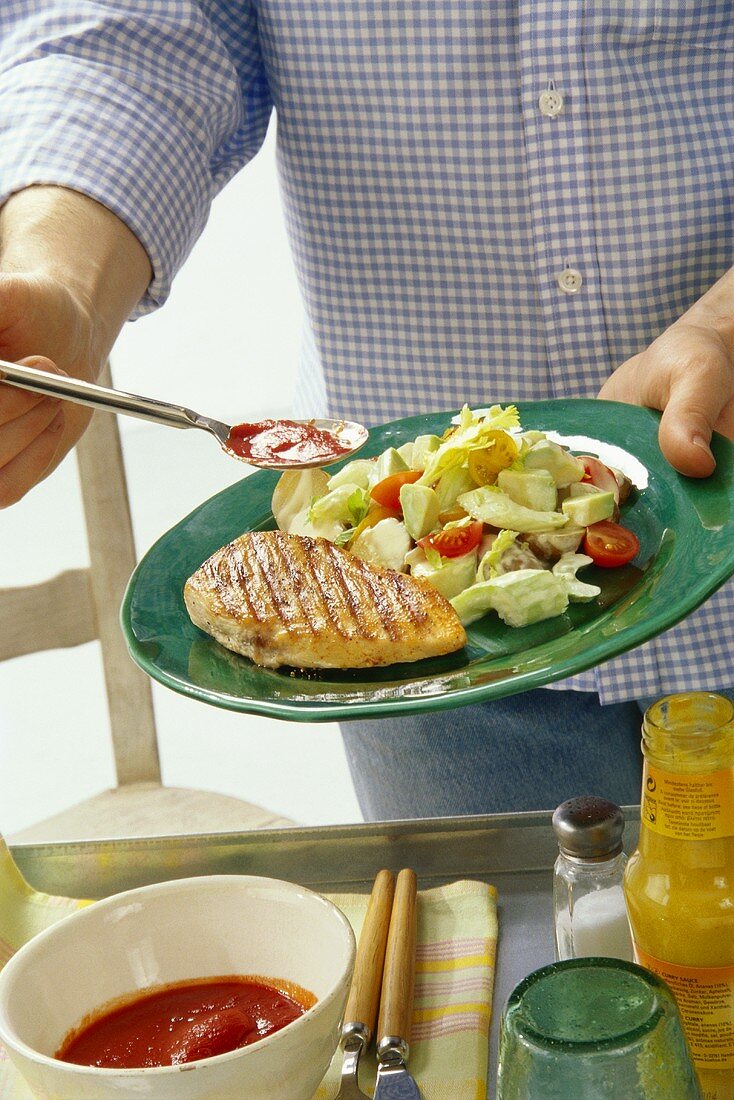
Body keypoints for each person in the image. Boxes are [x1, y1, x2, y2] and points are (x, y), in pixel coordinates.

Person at [1, 3, 733, 818]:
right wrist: (61, 280)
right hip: (405, 648)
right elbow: (130, 39)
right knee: (473, 944)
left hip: (721, 507)